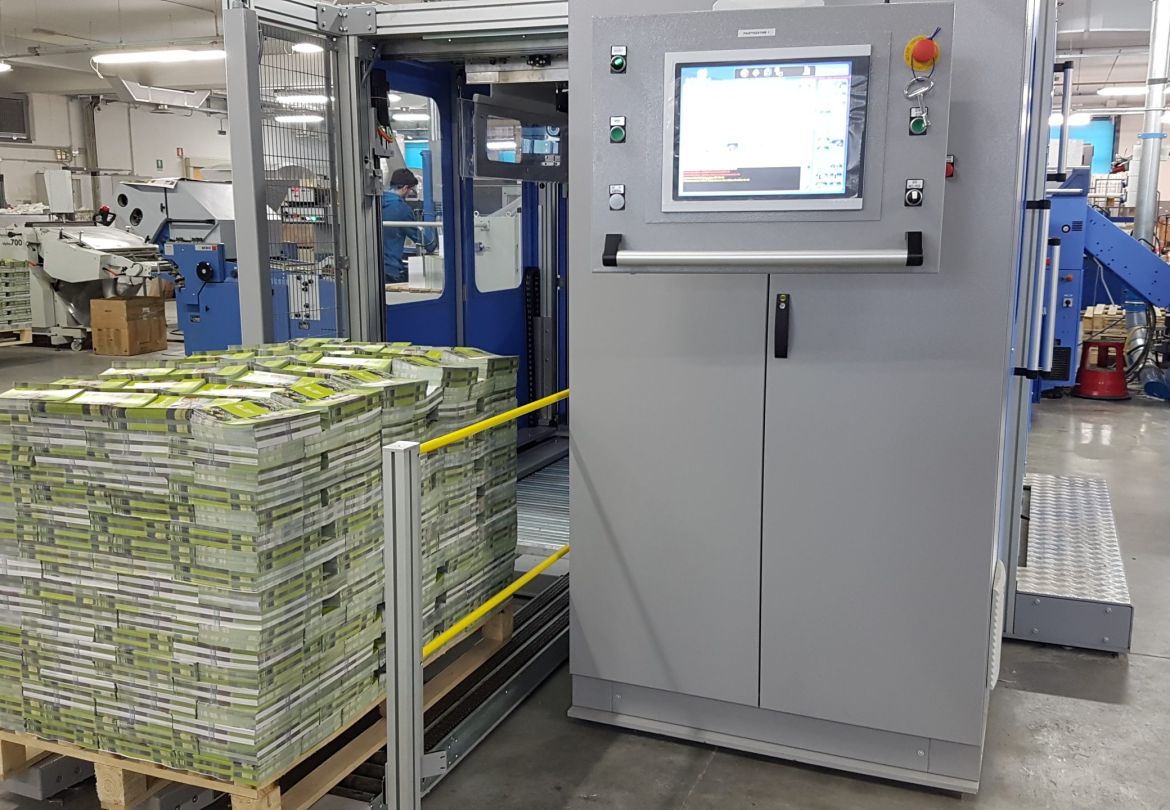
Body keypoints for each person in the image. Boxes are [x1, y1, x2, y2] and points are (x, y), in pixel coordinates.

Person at [382, 167, 438, 284]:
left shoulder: (376, 202)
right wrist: (432, 245)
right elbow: (418, 236)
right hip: (391, 270)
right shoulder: (401, 209)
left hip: (372, 268)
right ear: (405, 188)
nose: (410, 194)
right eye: (411, 190)